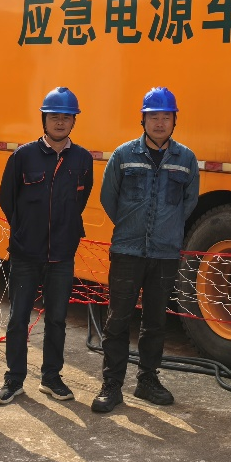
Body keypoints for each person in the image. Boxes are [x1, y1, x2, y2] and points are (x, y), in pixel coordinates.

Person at [92, 86, 199, 414]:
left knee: (155, 321)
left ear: (174, 120)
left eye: (166, 116)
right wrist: (131, 226)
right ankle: (112, 385)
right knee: (118, 319)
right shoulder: (123, 155)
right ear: (143, 119)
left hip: (165, 254)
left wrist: (166, 230)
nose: (160, 123)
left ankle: (147, 380)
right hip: (128, 251)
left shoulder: (186, 159)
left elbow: (188, 204)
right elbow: (108, 198)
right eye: (154, 117)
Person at [0, 87, 94, 405]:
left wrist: (65, 231)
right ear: (44, 120)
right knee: (18, 318)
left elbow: (81, 199)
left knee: (57, 319)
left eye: (67, 117)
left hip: (62, 254)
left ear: (74, 121)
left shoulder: (82, 159)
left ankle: (51, 378)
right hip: (26, 253)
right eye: (54, 117)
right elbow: (7, 199)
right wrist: (25, 229)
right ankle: (14, 379)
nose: (60, 122)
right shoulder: (23, 156)